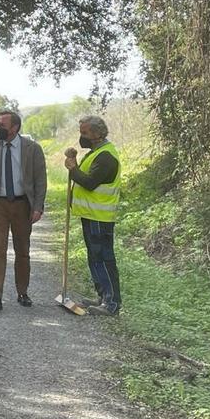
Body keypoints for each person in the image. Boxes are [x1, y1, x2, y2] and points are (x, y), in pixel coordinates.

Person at [0, 110, 47, 311]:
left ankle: (23, 292)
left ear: (14, 128)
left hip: (23, 205)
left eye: (2, 125)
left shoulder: (32, 149)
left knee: (22, 251)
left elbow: (41, 180)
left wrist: (38, 207)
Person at [64, 115, 122, 316]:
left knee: (103, 258)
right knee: (94, 257)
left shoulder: (106, 156)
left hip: (100, 217)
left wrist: (73, 167)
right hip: (91, 215)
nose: (82, 137)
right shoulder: (95, 152)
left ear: (97, 134)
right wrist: (75, 162)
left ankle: (112, 302)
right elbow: (83, 176)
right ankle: (102, 297)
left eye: (85, 133)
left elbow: (89, 182)